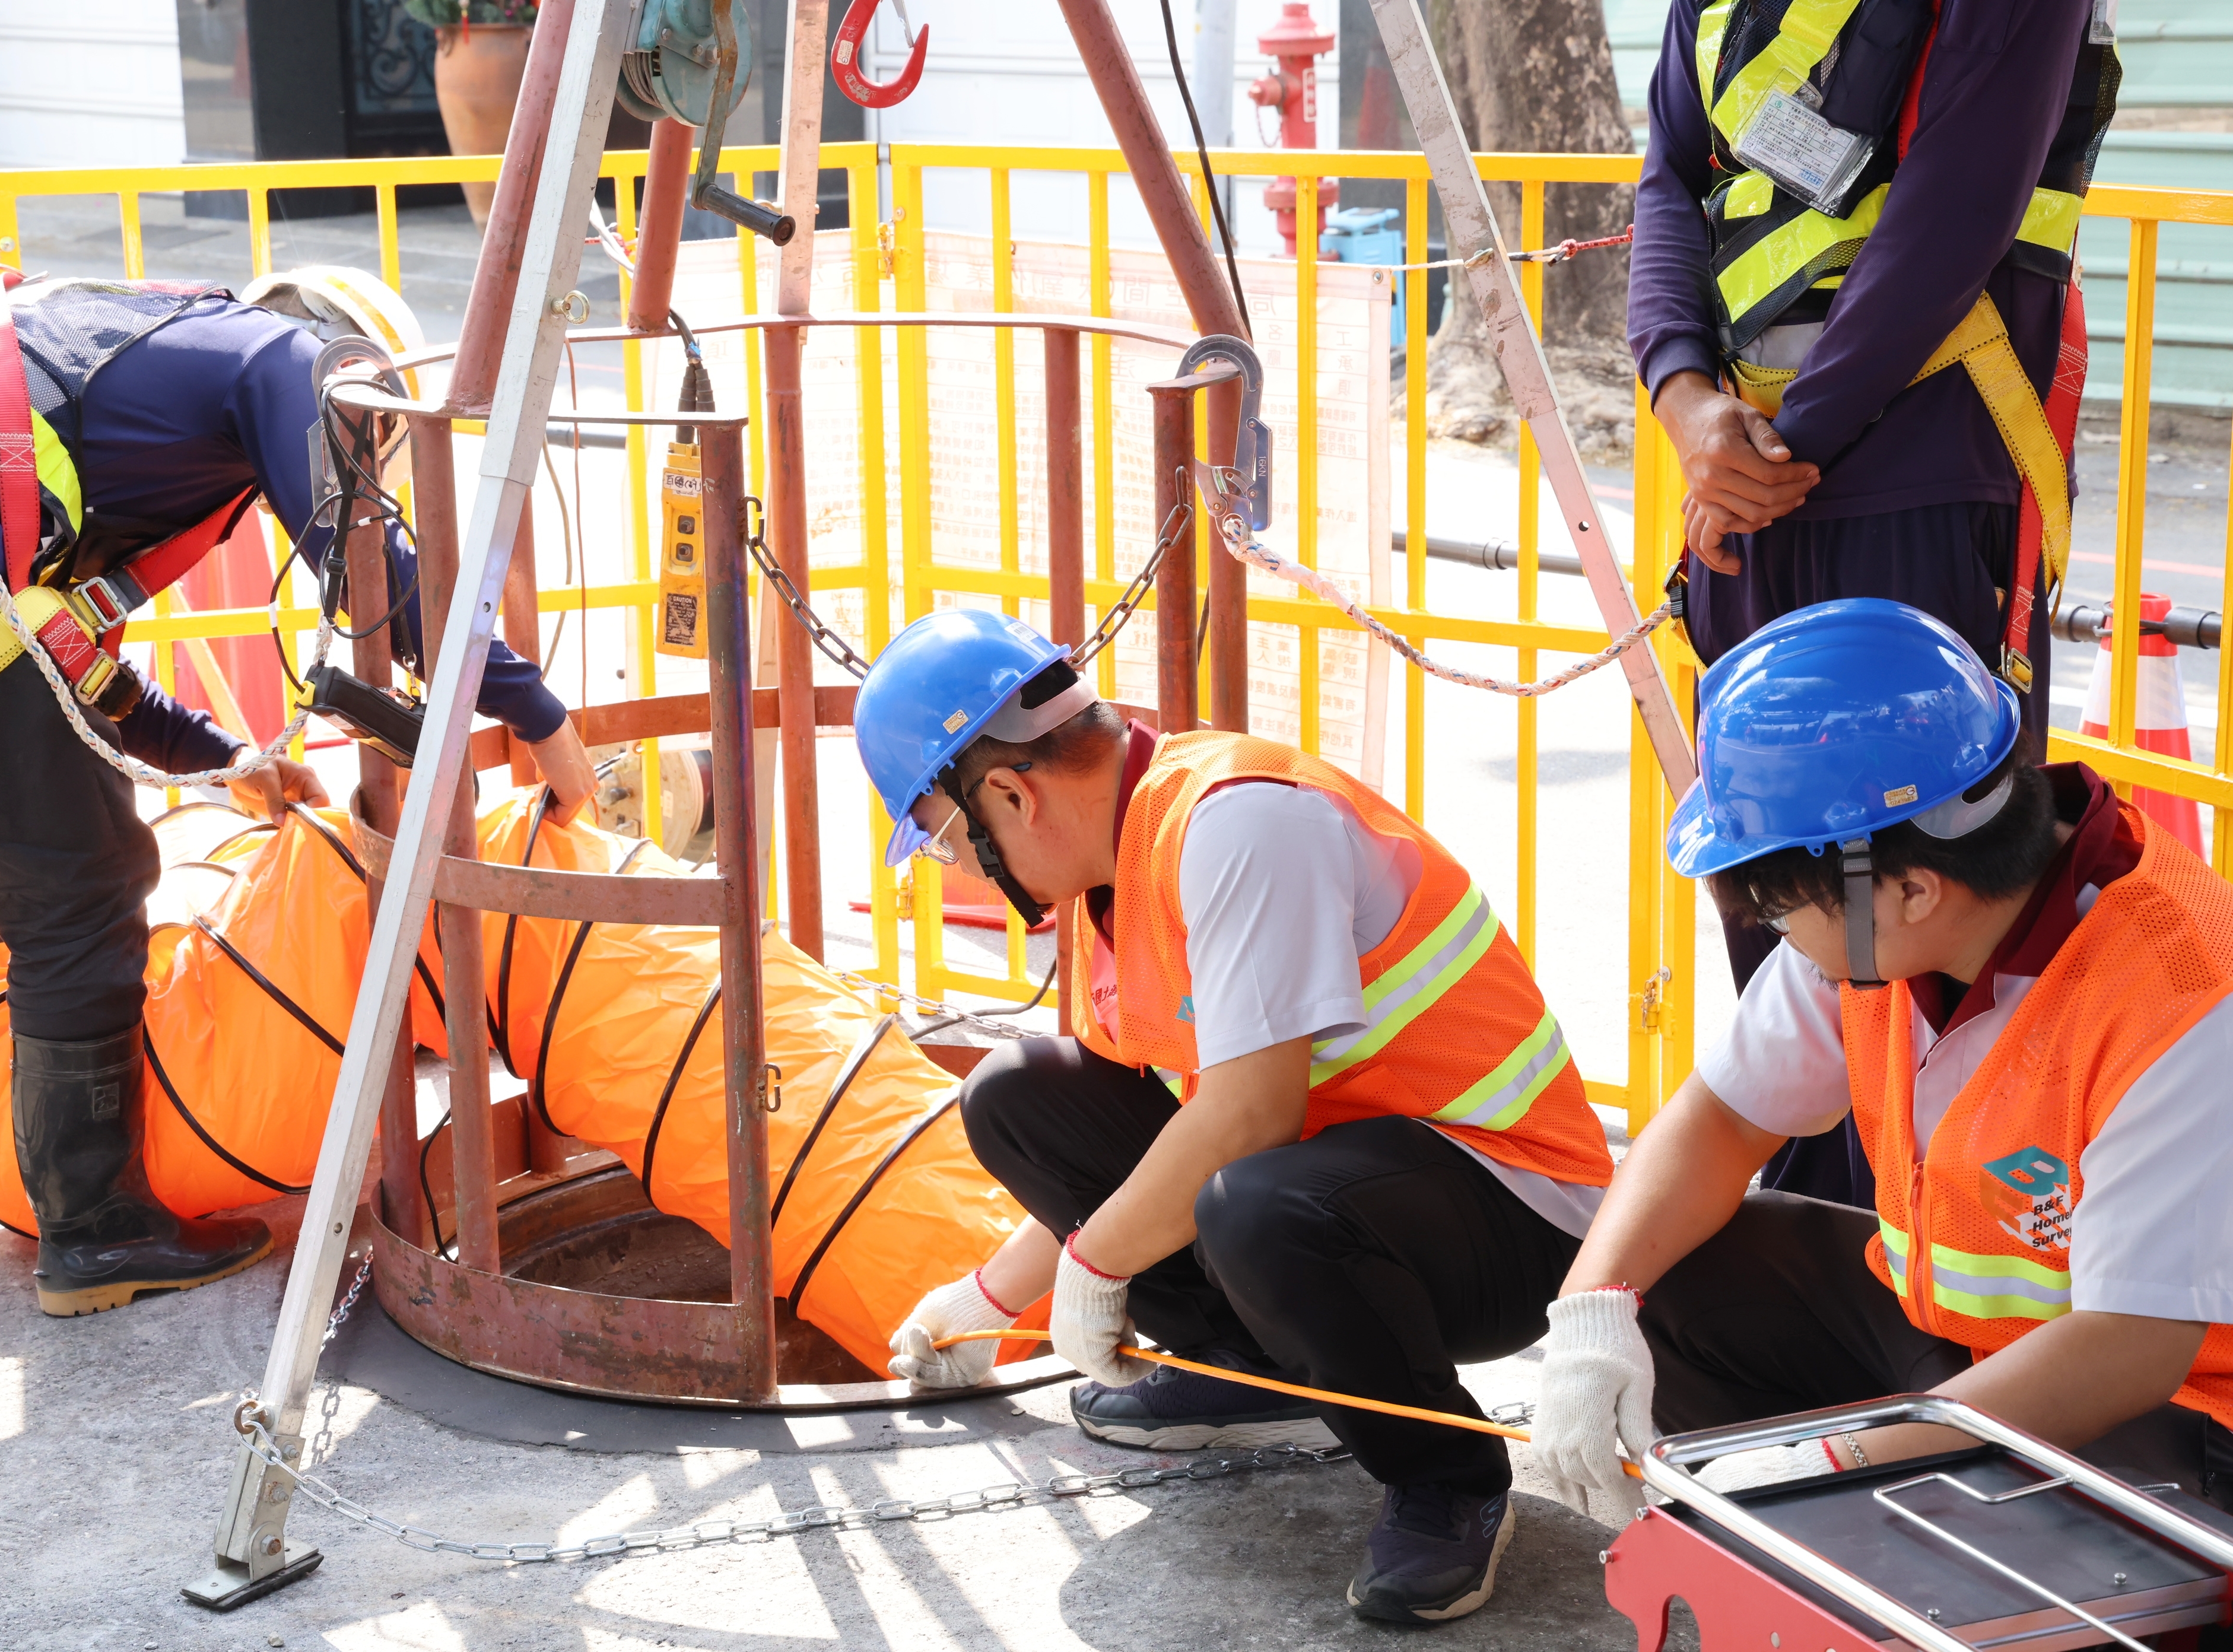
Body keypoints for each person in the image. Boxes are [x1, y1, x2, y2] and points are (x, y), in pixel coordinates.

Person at [0, 261, 591, 1313]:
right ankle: (99, 1232)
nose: (364, 457)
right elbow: (370, 574)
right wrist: (538, 713)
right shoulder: (283, 354)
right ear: (354, 368)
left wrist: (220, 758)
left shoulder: (103, 360)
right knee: (83, 884)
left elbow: (54, 654)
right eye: (370, 433)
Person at [854, 608, 1615, 1624]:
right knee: (1019, 1098)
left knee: (1253, 1203)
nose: (957, 872)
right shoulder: (1113, 879)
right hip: (1347, 1188)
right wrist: (990, 1298)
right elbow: (1165, 1136)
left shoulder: (1240, 821)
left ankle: (1448, 1480)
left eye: (946, 841)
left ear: (1006, 793)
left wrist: (1093, 1268)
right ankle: (1262, 1372)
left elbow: (1251, 1114)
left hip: (1512, 1213)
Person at [1531, 598, 2233, 1520]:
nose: (1770, 929)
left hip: (2178, 1419)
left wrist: (1841, 1459)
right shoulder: (1882, 919)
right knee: (1681, 1278)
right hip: (1967, 1350)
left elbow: (2130, 1348)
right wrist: (1588, 1318)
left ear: (1910, 890)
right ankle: (1812, 1541)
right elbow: (1724, 1119)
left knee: (1895, 1505)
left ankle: (1857, 1539)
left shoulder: (2186, 996)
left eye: (1782, 905)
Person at [1631, 0, 2121, 1203]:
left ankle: (1935, 1261)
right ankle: (1804, 1246)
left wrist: (1763, 457)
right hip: (1749, 488)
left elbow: (1946, 228)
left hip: (1914, 479)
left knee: (1923, 904)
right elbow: (1666, 187)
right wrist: (1688, 404)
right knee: (1779, 897)